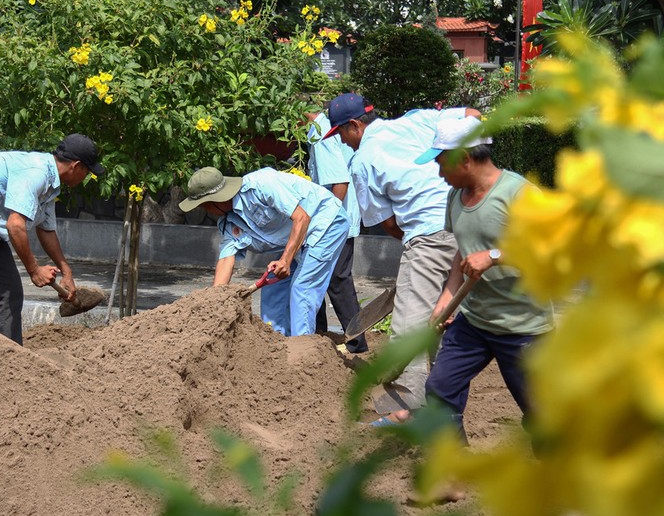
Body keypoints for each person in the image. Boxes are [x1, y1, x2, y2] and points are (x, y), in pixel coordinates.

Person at [370, 116, 555, 438]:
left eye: (442, 165)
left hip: (522, 326)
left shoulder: (519, 194)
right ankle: (452, 471)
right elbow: (461, 252)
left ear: (464, 159)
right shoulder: (455, 197)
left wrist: (495, 256)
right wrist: (446, 300)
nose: (439, 174)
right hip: (475, 322)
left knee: (542, 412)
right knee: (440, 390)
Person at [324, 93, 481, 409]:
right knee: (442, 315)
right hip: (468, 222)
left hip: (428, 234)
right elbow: (473, 114)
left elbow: (390, 224)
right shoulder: (417, 120)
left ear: (354, 125)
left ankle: (407, 408)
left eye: (340, 132)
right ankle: (444, 400)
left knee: (408, 326)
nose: (342, 142)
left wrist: (419, 251)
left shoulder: (361, 162)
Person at [0, 133, 105, 345]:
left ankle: (11, 358)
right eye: (87, 171)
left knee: (11, 292)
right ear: (76, 166)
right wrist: (34, 270)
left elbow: (46, 230)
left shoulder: (52, 185)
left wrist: (66, 271)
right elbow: (15, 225)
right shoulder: (37, 173)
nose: (86, 177)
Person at [178, 166, 350, 337]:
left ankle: (301, 351)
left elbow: (302, 217)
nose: (204, 210)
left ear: (213, 201)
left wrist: (285, 260)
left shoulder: (262, 185)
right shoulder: (229, 223)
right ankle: (276, 346)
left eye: (204, 206)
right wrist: (214, 301)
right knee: (272, 289)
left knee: (302, 288)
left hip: (325, 222)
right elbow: (225, 260)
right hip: (297, 239)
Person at [306, 108, 368, 353]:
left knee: (336, 279)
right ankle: (318, 334)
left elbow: (339, 182)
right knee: (319, 274)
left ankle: (356, 342)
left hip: (334, 219)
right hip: (340, 215)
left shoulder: (319, 132)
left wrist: (327, 223)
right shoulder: (326, 127)